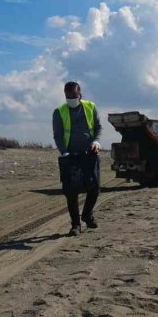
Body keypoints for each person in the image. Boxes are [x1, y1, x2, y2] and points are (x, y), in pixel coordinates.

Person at [53, 81, 102, 236]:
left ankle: (87, 214)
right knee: (70, 191)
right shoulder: (59, 112)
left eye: (74, 96)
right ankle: (75, 225)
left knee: (94, 187)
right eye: (68, 96)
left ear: (79, 94)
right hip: (70, 155)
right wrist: (64, 152)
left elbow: (97, 127)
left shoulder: (90, 107)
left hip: (89, 153)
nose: (71, 99)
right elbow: (58, 135)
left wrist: (96, 140)